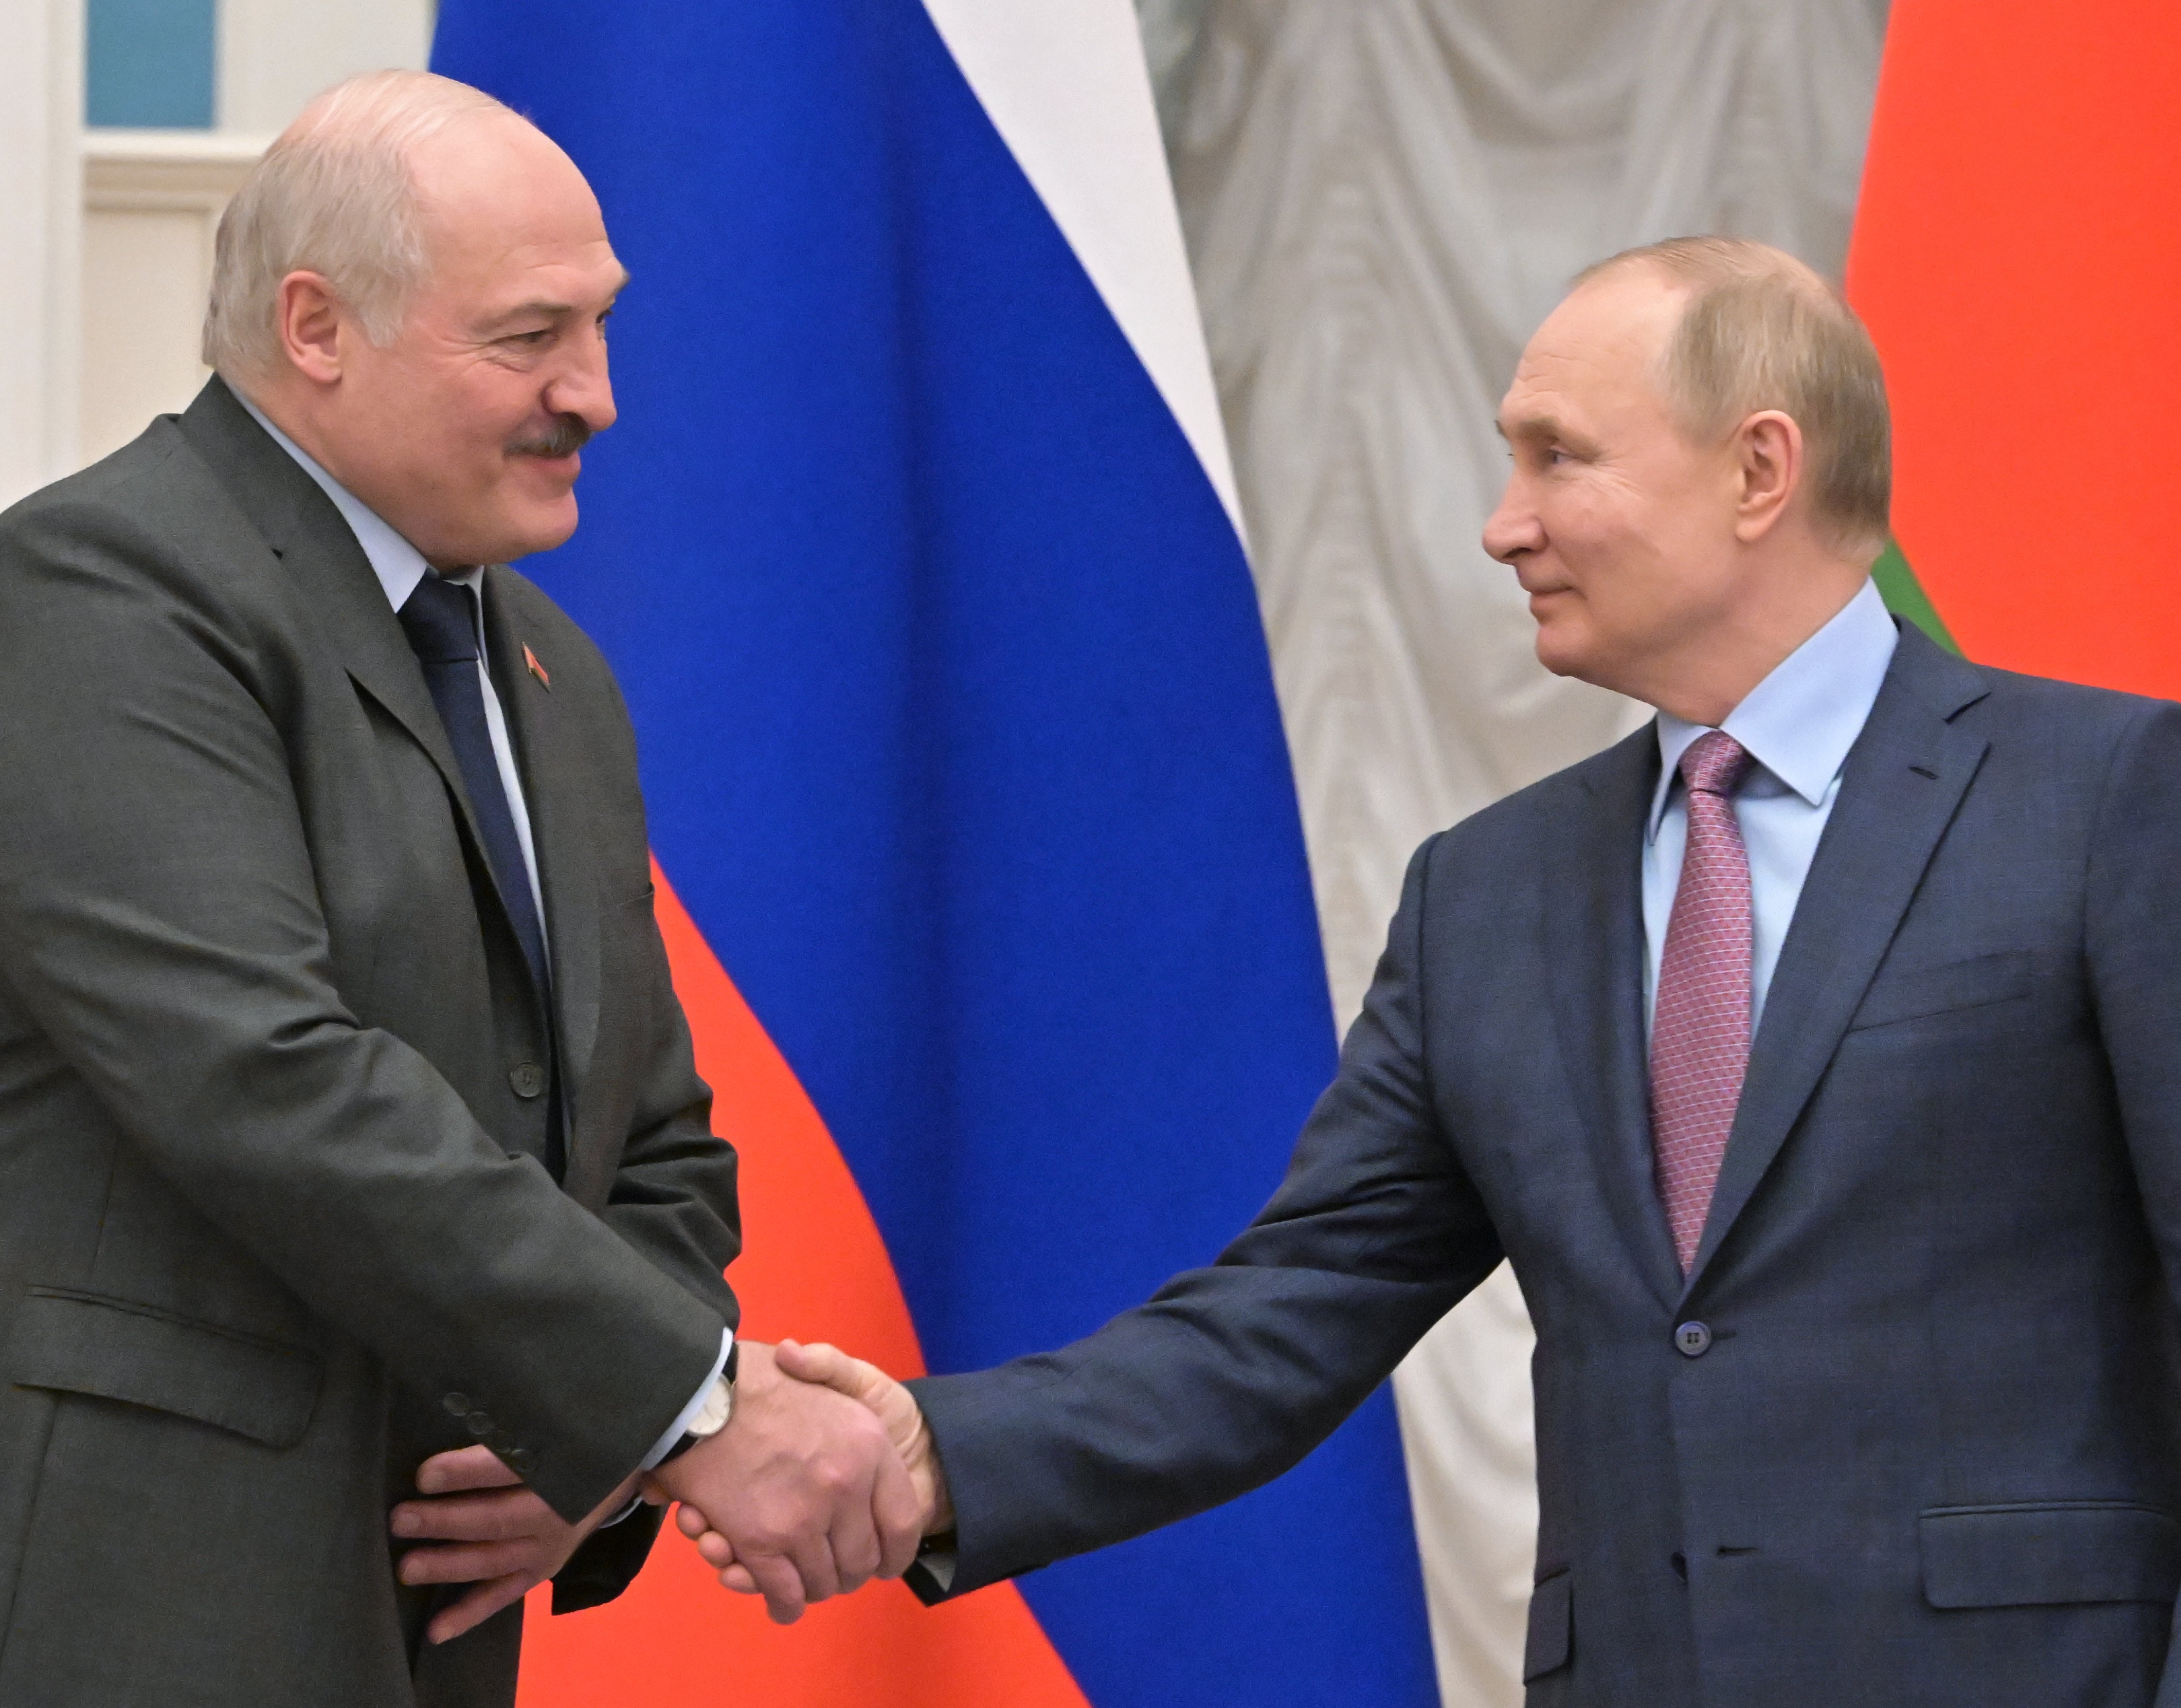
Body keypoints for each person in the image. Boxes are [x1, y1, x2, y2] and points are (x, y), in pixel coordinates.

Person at [683, 237, 2181, 1706]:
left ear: (1759, 470)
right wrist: (932, 1454)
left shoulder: (2111, 796)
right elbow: (1293, 1310)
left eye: (1558, 457)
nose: (1502, 524)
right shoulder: (1490, 891)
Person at [0, 71, 916, 1708]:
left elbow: (653, 1145)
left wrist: (581, 1439)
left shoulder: (545, 671)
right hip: (101, 1614)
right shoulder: (97, 595)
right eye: (529, 339)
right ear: (317, 327)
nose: (595, 396)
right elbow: (267, 1076)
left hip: (411, 1637)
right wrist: (694, 1408)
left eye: (600, 329)